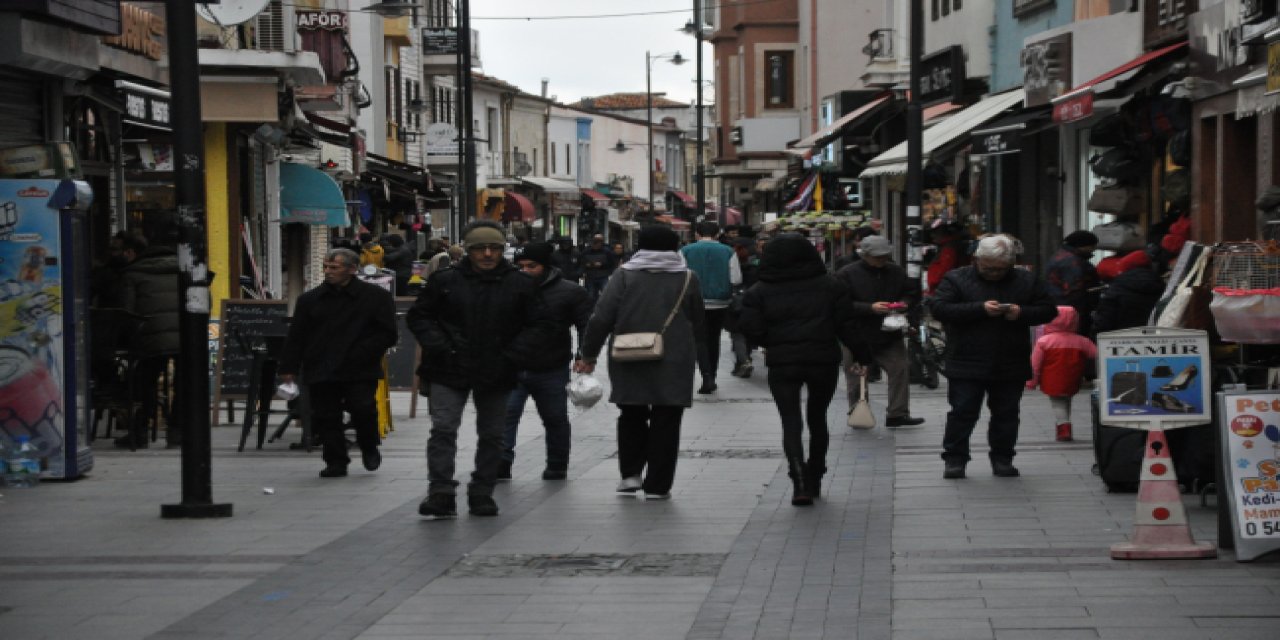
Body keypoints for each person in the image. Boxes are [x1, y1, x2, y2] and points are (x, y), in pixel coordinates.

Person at [408, 220, 551, 519]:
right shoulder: (445, 281)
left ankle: (482, 491)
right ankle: (441, 491)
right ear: (468, 251)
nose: (488, 254)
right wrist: (440, 346)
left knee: (492, 433)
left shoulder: (520, 283)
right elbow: (421, 316)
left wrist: (512, 355)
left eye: (494, 248)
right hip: (449, 366)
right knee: (444, 429)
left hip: (496, 367)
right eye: (480, 249)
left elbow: (539, 325)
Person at [738, 234, 870, 506]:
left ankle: (798, 480)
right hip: (821, 357)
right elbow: (847, 324)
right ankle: (816, 474)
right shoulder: (831, 286)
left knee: (790, 421)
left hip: (783, 361)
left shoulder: (759, 291)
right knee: (817, 418)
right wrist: (862, 354)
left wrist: (772, 340)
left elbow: (751, 328)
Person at [574, 226, 705, 500]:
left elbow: (602, 317)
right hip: (674, 357)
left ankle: (631, 475)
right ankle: (658, 484)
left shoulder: (623, 275)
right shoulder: (687, 277)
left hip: (628, 354)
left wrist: (588, 355)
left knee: (632, 414)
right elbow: (697, 320)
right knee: (667, 418)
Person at [928, 234, 1058, 479]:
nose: (994, 273)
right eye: (988, 268)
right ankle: (955, 460)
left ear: (1011, 264)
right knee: (962, 411)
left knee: (1007, 414)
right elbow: (939, 308)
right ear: (977, 259)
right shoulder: (956, 278)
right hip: (966, 358)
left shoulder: (1026, 279)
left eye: (1001, 269)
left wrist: (1021, 313)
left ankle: (1003, 459)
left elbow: (1049, 310)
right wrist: (979, 309)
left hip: (1010, 359)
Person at [278, 248, 398, 476]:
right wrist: (288, 368)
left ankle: (369, 445)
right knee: (326, 414)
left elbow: (387, 333)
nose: (328, 272)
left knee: (363, 408)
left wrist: (362, 352)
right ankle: (335, 460)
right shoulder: (310, 300)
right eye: (326, 267)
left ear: (352, 270)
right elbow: (297, 336)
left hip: (359, 366)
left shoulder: (375, 297)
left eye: (334, 267)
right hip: (321, 364)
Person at [500, 242, 593, 481]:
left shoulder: (570, 292)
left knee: (555, 418)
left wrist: (584, 355)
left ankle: (557, 465)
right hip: (510, 365)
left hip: (551, 365)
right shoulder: (505, 288)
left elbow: (586, 325)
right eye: (520, 266)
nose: (525, 271)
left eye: (532, 266)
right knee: (505, 416)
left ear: (545, 265)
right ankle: (501, 464)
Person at [836, 235, 924, 427]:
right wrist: (869, 308)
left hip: (889, 331)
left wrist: (903, 304)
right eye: (877, 257)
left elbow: (911, 293)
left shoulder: (896, 271)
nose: (881, 260)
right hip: (856, 334)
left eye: (884, 256)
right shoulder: (847, 273)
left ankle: (897, 413)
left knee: (899, 370)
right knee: (856, 377)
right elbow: (840, 304)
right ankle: (858, 411)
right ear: (865, 255)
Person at [115, 238, 180, 448]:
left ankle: (141, 429)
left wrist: (127, 339)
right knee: (184, 383)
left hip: (150, 336)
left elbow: (127, 310)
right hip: (184, 337)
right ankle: (177, 431)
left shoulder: (133, 273)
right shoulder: (187, 269)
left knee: (146, 381)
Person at [681, 221, 741, 394]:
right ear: (717, 235)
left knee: (699, 339)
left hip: (694, 301)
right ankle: (712, 375)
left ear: (697, 234)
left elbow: (679, 275)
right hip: (720, 301)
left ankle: (706, 375)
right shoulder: (729, 251)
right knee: (713, 339)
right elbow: (736, 279)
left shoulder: (685, 251)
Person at [1027, 306, 1098, 442]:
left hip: (1052, 379)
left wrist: (1032, 381)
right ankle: (1064, 424)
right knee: (1066, 400)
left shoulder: (1044, 342)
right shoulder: (1082, 341)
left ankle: (1063, 427)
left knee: (1057, 403)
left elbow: (1035, 365)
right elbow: (1097, 355)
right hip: (1073, 378)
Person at [1092, 248, 1166, 333]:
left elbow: (1104, 320)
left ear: (1125, 268)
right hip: (1154, 338)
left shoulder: (1117, 288)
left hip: (1120, 339)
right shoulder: (1161, 286)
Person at [1044, 230, 1100, 336]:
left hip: (1058, 310)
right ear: (1082, 245)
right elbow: (1075, 291)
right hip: (1073, 314)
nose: (1093, 250)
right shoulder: (1075, 263)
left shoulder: (1058, 256)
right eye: (1092, 246)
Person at [579, 234, 617, 302]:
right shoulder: (586, 251)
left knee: (606, 295)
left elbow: (612, 264)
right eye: (595, 243)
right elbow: (581, 263)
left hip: (603, 276)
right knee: (591, 295)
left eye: (599, 242)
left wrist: (602, 265)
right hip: (590, 277)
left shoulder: (607, 252)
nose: (596, 245)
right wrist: (586, 266)